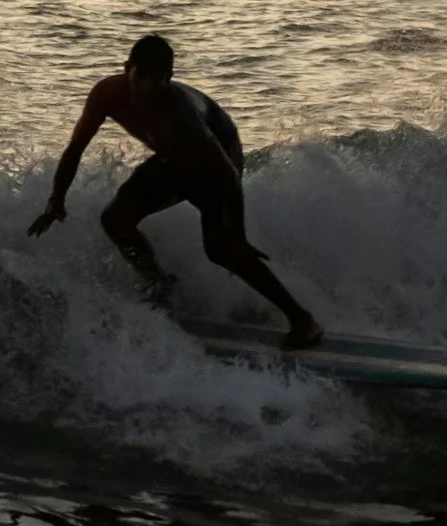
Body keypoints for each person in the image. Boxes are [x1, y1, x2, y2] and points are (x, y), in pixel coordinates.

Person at [28, 34, 323, 350]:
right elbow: (75, 148)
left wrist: (236, 233)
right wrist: (56, 200)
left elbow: (225, 171)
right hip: (172, 158)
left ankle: (302, 320)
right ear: (127, 68)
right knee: (115, 220)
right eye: (141, 76)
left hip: (218, 157)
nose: (147, 87)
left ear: (168, 79)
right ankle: (161, 284)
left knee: (222, 250)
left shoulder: (180, 115)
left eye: (157, 80)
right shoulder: (107, 93)